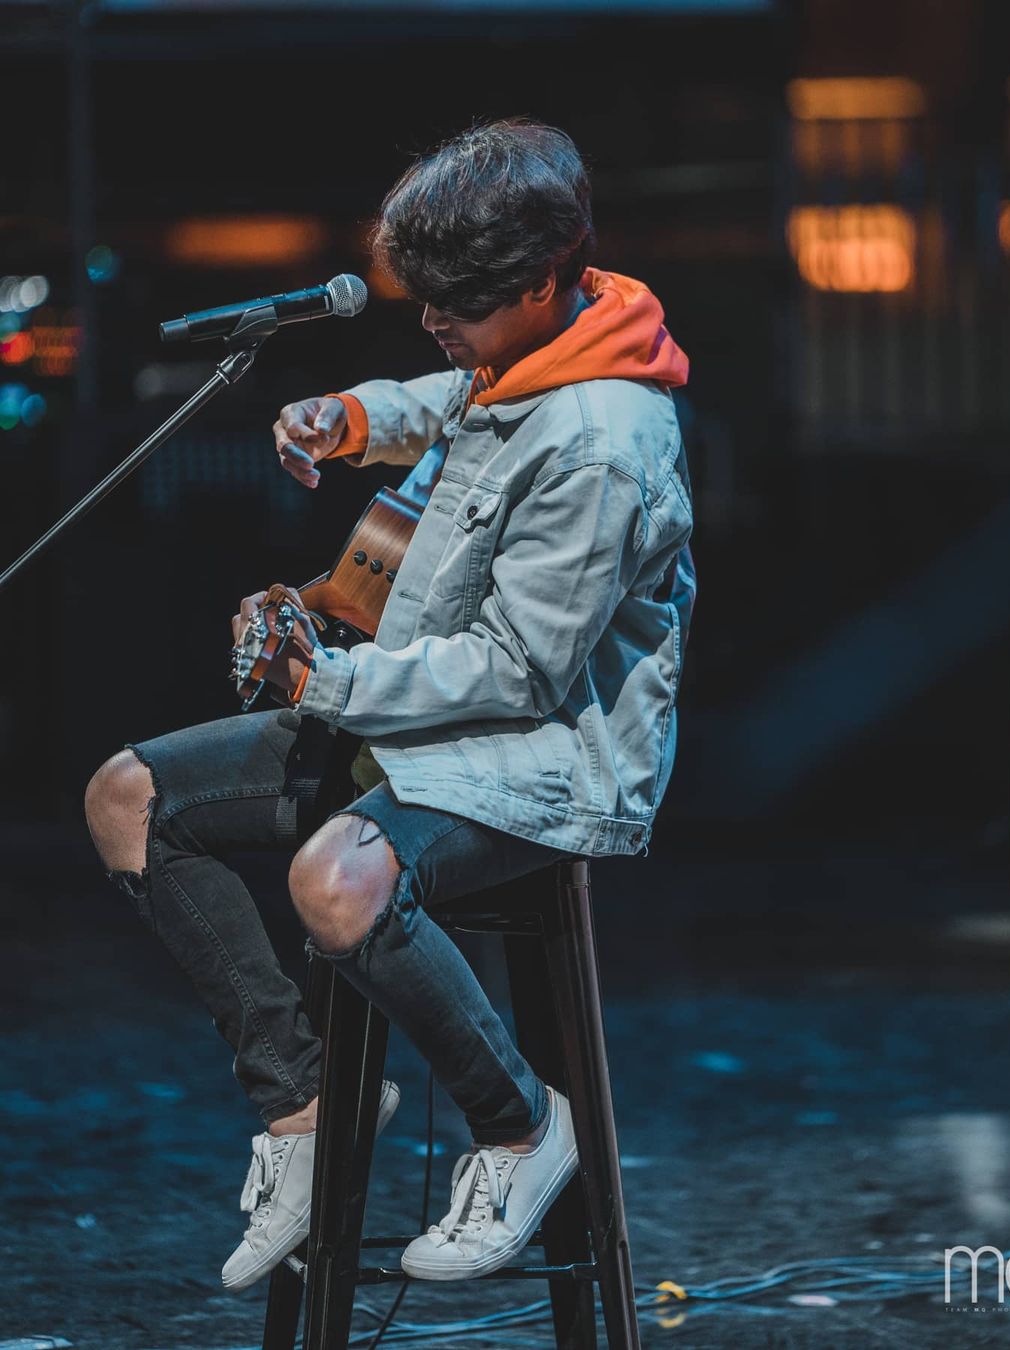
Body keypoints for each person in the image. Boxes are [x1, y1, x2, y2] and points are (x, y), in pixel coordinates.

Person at [83, 117, 696, 1291]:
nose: (432, 323)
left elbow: (520, 674)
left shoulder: (605, 444)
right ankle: (308, 1110)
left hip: (541, 754)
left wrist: (328, 682)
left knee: (338, 879)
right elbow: (459, 394)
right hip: (415, 718)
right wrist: (355, 415)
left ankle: (522, 1128)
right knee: (130, 799)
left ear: (539, 282)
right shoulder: (534, 346)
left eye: (454, 305)